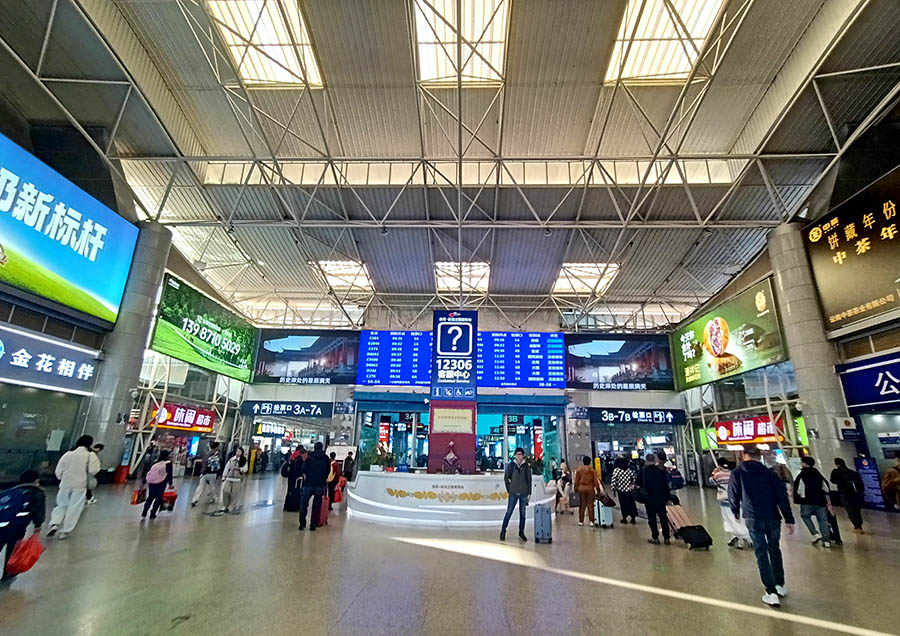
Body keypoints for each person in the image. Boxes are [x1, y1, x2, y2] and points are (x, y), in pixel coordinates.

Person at [729, 445, 795, 607]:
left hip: (752, 516)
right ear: (759, 456)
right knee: (774, 549)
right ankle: (780, 585)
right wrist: (789, 518)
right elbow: (781, 496)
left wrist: (735, 510)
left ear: (744, 455)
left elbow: (733, 493)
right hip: (772, 516)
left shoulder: (738, 472)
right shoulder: (770, 473)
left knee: (761, 551)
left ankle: (770, 592)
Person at [48, 435, 100, 539]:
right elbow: (93, 470)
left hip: (65, 484)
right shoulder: (90, 455)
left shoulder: (68, 454)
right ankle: (65, 531)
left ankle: (54, 523)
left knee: (61, 505)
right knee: (74, 507)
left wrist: (62, 477)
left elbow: (58, 471)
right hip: (80, 485)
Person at [0, 470, 45, 582]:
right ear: (36, 481)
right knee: (12, 549)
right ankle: (8, 574)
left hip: (1, 524)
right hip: (16, 527)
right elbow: (38, 511)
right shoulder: (36, 493)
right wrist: (37, 526)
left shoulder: (10, 491)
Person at [711, 457, 751, 548]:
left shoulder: (718, 475)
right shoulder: (735, 474)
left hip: (725, 502)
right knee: (740, 520)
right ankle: (748, 538)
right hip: (738, 501)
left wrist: (715, 472)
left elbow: (712, 481)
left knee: (729, 521)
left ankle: (738, 538)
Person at [793, 456, 832, 548]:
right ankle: (826, 541)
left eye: (802, 462)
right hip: (820, 501)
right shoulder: (818, 474)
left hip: (807, 501)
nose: (801, 464)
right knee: (823, 520)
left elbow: (798, 489)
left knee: (805, 516)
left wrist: (798, 499)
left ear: (805, 464)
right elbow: (826, 487)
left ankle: (815, 533)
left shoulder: (802, 475)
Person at [637, 453, 671, 544]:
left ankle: (655, 537)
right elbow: (666, 486)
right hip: (661, 498)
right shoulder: (661, 471)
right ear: (654, 460)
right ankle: (666, 537)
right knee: (663, 518)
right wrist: (668, 498)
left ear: (646, 460)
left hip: (649, 498)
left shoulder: (643, 471)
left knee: (652, 518)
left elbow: (638, 483)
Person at [500, 447, 532, 541]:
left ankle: (521, 532)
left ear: (523, 456)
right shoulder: (511, 465)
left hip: (523, 493)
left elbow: (529, 480)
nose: (519, 456)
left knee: (522, 514)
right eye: (517, 454)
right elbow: (506, 478)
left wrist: (529, 493)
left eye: (520, 454)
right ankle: (503, 531)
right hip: (513, 493)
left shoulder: (526, 467)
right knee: (509, 512)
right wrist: (509, 489)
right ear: (515, 455)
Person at [299, 442, 331, 531]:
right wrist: (323, 478)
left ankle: (302, 524)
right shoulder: (326, 458)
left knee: (304, 503)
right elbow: (328, 471)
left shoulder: (309, 457)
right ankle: (313, 524)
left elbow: (304, 469)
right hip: (320, 484)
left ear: (315, 447)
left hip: (308, 483)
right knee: (317, 505)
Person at [830, 458, 864, 534]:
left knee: (850, 510)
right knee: (856, 509)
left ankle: (857, 526)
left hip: (844, 493)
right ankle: (859, 524)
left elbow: (833, 480)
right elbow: (860, 483)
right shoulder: (853, 472)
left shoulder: (837, 472)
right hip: (855, 493)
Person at [142, 450, 173, 520]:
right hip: (162, 483)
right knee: (158, 498)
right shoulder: (168, 463)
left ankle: (145, 511)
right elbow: (169, 474)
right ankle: (153, 513)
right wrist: (170, 484)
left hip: (152, 482)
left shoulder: (155, 462)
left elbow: (148, 472)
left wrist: (144, 482)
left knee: (150, 497)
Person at [191, 442, 223, 508]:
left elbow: (203, 461)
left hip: (204, 473)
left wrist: (202, 470)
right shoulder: (218, 455)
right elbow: (221, 461)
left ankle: (195, 499)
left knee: (201, 486)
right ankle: (214, 498)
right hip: (213, 473)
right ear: (216, 447)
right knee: (211, 487)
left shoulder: (207, 453)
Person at [573, 455, 601, 527]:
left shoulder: (579, 470)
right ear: (590, 462)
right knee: (590, 505)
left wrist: (575, 489)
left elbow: (576, 481)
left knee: (582, 505)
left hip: (581, 489)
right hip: (590, 489)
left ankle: (581, 521)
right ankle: (591, 521)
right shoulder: (592, 470)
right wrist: (598, 490)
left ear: (583, 462)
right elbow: (596, 481)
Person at [611, 456, 638, 524]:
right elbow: (634, 479)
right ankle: (633, 518)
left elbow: (614, 481)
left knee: (623, 504)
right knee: (631, 504)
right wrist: (632, 486)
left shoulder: (616, 470)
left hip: (621, 491)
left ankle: (624, 518)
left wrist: (613, 489)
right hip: (629, 490)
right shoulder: (628, 470)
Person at [220, 447, 248, 513]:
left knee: (234, 494)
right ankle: (225, 505)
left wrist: (240, 469)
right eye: (237, 451)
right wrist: (224, 476)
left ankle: (231, 506)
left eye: (239, 452)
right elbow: (227, 468)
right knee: (225, 491)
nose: (238, 453)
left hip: (237, 479)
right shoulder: (231, 460)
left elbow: (245, 469)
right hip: (229, 478)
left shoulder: (243, 460)